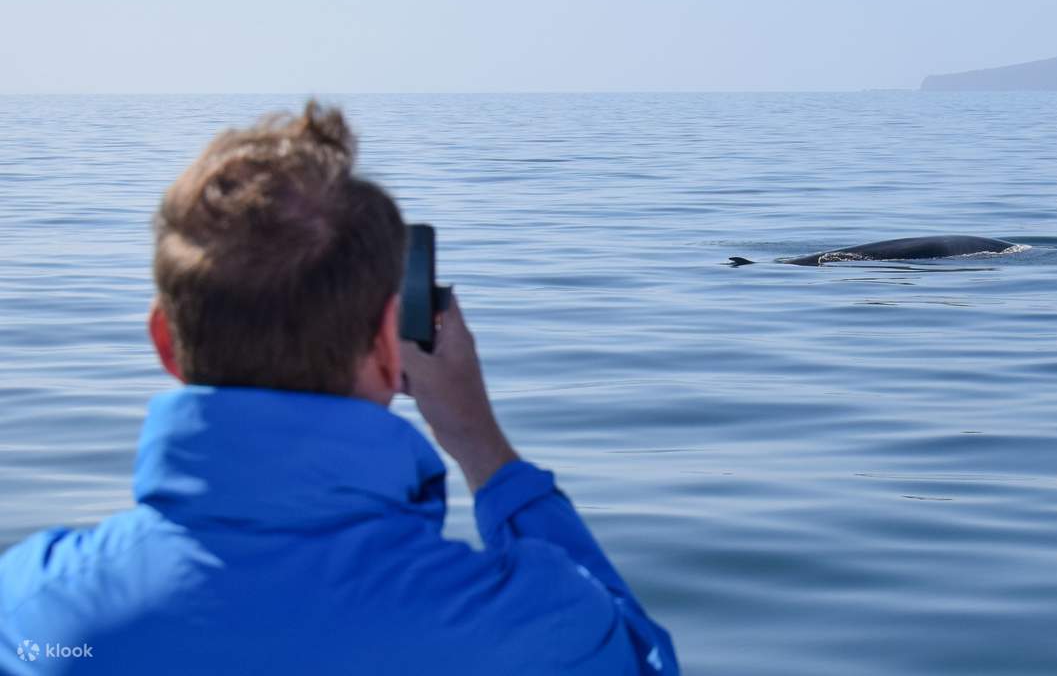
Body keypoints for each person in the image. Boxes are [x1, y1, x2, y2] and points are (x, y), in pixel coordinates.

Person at [0, 102, 678, 675]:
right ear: (390, 345)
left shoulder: (34, 606)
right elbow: (639, 657)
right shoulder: (536, 623)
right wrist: (478, 439)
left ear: (165, 341)